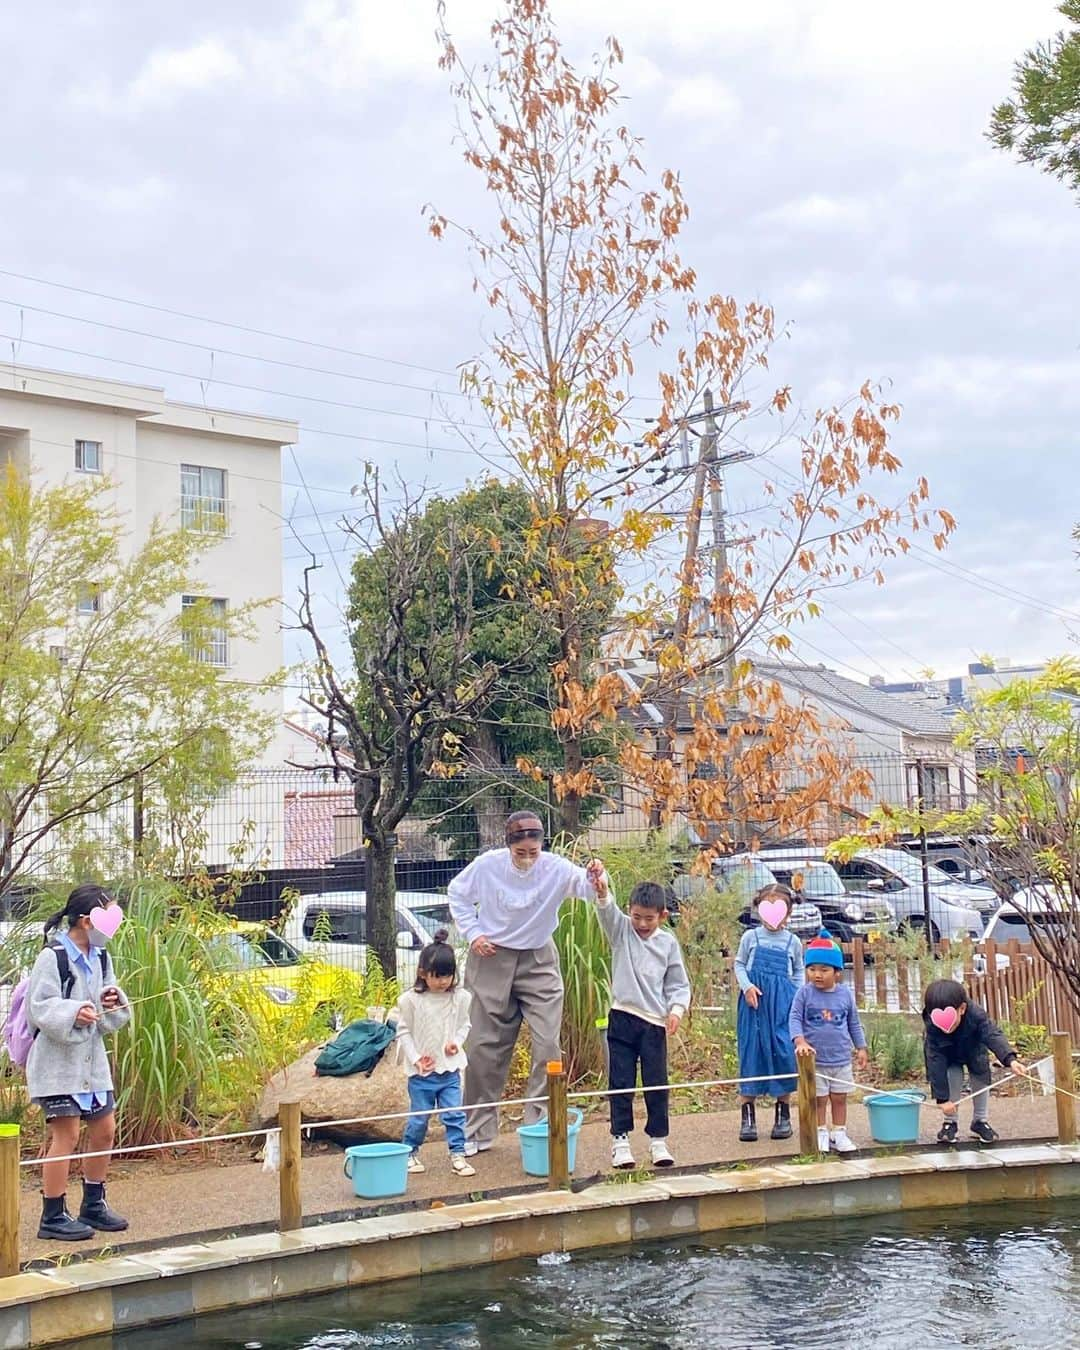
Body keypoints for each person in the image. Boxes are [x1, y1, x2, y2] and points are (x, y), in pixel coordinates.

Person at [448, 810, 606, 1154]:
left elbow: (587, 888)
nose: (528, 859)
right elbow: (457, 893)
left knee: (548, 1044)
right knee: (482, 1047)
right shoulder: (489, 865)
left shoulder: (555, 867)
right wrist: (473, 933)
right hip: (490, 957)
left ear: (541, 846)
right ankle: (476, 1131)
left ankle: (539, 1127)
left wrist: (597, 878)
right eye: (521, 853)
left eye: (534, 852)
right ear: (509, 846)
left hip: (538, 959)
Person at [26, 884, 130, 1241]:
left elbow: (108, 1000)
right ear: (87, 921)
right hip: (57, 1065)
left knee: (105, 1129)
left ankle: (93, 1203)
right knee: (65, 1134)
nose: (113, 927)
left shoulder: (102, 957)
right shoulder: (52, 957)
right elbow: (40, 1007)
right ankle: (52, 1214)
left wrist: (112, 1002)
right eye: (109, 918)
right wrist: (74, 1012)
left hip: (92, 1063)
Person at [594, 880, 691, 1170]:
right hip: (622, 1016)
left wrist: (676, 1010)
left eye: (649, 918)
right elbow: (606, 911)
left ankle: (658, 1140)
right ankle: (620, 1141)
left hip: (653, 1023)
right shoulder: (622, 931)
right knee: (621, 1081)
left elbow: (678, 983)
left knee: (656, 1082)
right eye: (637, 917)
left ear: (662, 916)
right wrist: (602, 890)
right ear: (629, 912)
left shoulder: (667, 943)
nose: (642, 924)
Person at [393, 928, 476, 1177]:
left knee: (454, 1113)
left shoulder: (460, 998)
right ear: (422, 974)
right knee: (419, 1118)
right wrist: (417, 1058)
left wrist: (456, 1043)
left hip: (449, 1069)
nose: (443, 981)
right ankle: (409, 1151)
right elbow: (404, 1032)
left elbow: (464, 1025)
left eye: (447, 976)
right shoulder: (410, 1000)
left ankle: (458, 1153)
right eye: (437, 976)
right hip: (422, 1074)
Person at [734, 883, 804, 1143]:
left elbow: (798, 971)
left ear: (788, 913)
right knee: (751, 1054)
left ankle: (782, 1114)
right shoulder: (750, 938)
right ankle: (747, 1116)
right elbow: (740, 964)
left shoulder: (793, 942)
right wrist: (747, 986)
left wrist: (796, 995)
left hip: (782, 1008)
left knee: (783, 1053)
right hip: (753, 1007)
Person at [789, 929, 868, 1154]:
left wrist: (861, 1047)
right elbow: (794, 1018)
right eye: (812, 969)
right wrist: (800, 1041)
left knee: (840, 1098)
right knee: (819, 1100)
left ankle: (839, 1133)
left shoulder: (845, 995)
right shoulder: (804, 994)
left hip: (841, 1059)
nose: (817, 975)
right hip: (816, 1061)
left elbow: (854, 1022)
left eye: (824, 970)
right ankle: (821, 1132)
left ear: (837, 973)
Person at [922, 978, 1027, 1144]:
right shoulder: (933, 1027)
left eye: (949, 1018)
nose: (945, 1026)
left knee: (980, 1077)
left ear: (962, 1008)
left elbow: (993, 1035)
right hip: (946, 1052)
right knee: (952, 1077)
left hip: (973, 1050)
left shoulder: (977, 1015)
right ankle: (950, 1123)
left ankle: (980, 1121)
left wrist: (1010, 1060)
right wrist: (942, 1099)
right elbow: (935, 1061)